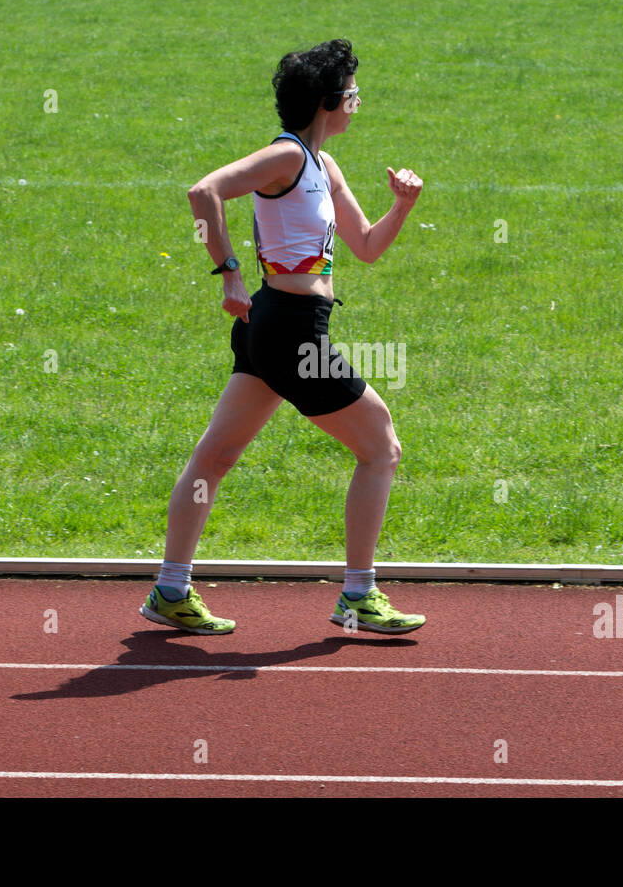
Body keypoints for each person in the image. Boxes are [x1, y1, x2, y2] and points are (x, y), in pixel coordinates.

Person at [140, 39, 425, 636]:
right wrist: (230, 273)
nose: (356, 102)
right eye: (351, 93)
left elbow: (366, 248)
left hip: (275, 327)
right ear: (327, 101)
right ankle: (358, 595)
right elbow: (204, 192)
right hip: (290, 332)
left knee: (215, 457)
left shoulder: (323, 166)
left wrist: (403, 206)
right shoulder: (287, 159)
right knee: (381, 447)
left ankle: (170, 588)